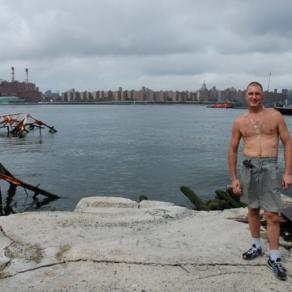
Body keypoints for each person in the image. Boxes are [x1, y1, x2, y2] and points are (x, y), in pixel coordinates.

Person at [228, 81, 292, 281]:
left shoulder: (275, 116)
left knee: (272, 214)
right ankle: (256, 245)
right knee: (252, 210)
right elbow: (232, 149)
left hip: (270, 167)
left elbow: (287, 143)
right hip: (248, 167)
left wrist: (288, 172)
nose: (254, 96)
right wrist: (234, 178)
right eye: (251, 93)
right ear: (246, 96)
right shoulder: (240, 121)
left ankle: (274, 256)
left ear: (262, 96)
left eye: (257, 93)